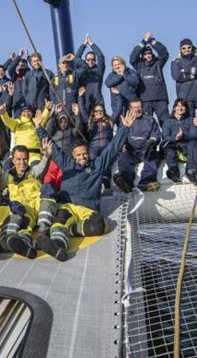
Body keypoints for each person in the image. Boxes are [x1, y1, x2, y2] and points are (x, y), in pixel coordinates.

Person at [34, 111, 135, 261]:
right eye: (78, 155)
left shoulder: (98, 166)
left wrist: (124, 128)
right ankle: (58, 246)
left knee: (99, 227)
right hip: (70, 207)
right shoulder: (66, 163)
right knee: (60, 220)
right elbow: (51, 145)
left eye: (84, 154)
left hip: (88, 211)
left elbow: (112, 148)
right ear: (73, 156)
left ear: (88, 153)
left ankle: (72, 230)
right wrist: (38, 127)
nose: (82, 157)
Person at [0, 142, 53, 259]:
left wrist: (46, 156)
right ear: (13, 160)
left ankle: (43, 234)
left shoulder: (34, 172)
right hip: (21, 212)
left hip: (37, 210)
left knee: (47, 196)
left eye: (25, 159)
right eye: (18, 159)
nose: (22, 162)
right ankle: (25, 246)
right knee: (23, 227)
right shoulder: (7, 177)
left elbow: (43, 166)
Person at [113, 98, 162, 193]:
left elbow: (157, 134)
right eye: (134, 107)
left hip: (146, 150)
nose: (137, 109)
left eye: (139, 107)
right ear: (130, 108)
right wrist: (122, 145)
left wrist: (151, 141)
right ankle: (126, 182)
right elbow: (119, 135)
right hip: (130, 150)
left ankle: (145, 182)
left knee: (154, 156)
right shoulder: (125, 120)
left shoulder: (150, 119)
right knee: (124, 159)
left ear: (142, 107)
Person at [0, 95, 52, 165]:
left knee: (37, 169)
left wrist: (47, 109)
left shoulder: (35, 122)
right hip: (19, 155)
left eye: (28, 111)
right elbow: (7, 121)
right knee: (6, 167)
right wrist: (3, 113)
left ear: (32, 113)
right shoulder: (17, 122)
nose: (26, 113)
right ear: (21, 113)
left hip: (34, 155)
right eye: (24, 111)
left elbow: (43, 117)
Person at [130, 31, 170, 123]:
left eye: (150, 53)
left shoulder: (158, 63)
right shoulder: (139, 65)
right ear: (142, 56)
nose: (148, 55)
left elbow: (164, 53)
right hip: (145, 99)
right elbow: (132, 57)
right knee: (146, 123)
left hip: (160, 98)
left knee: (165, 122)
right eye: (146, 54)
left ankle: (167, 138)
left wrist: (151, 41)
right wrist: (144, 41)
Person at [161, 98, 197, 184]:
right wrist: (176, 138)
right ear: (174, 107)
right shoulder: (168, 121)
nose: (180, 108)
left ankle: (190, 171)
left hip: (186, 145)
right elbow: (165, 136)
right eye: (178, 106)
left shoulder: (190, 119)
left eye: (183, 106)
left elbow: (194, 134)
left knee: (193, 143)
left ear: (186, 108)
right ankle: (174, 172)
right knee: (168, 147)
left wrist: (184, 135)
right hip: (173, 144)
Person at [170, 38, 197, 111]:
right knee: (188, 121)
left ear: (192, 48)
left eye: (189, 47)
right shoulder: (176, 62)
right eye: (184, 48)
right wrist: (195, 72)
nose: (186, 50)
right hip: (185, 97)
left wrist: (185, 71)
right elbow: (177, 76)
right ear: (180, 50)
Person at [73, 33, 106, 116]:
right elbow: (76, 58)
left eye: (93, 59)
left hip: (97, 101)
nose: (90, 61)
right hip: (85, 102)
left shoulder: (98, 70)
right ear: (85, 61)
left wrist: (91, 43)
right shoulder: (81, 72)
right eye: (88, 60)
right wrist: (84, 44)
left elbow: (101, 56)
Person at [104, 56, 140, 124]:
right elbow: (107, 84)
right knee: (120, 125)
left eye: (118, 64)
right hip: (117, 105)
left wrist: (124, 74)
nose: (117, 66)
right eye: (114, 65)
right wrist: (120, 76)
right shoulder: (111, 75)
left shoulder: (131, 72)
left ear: (123, 64)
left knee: (132, 125)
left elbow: (135, 82)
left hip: (130, 104)